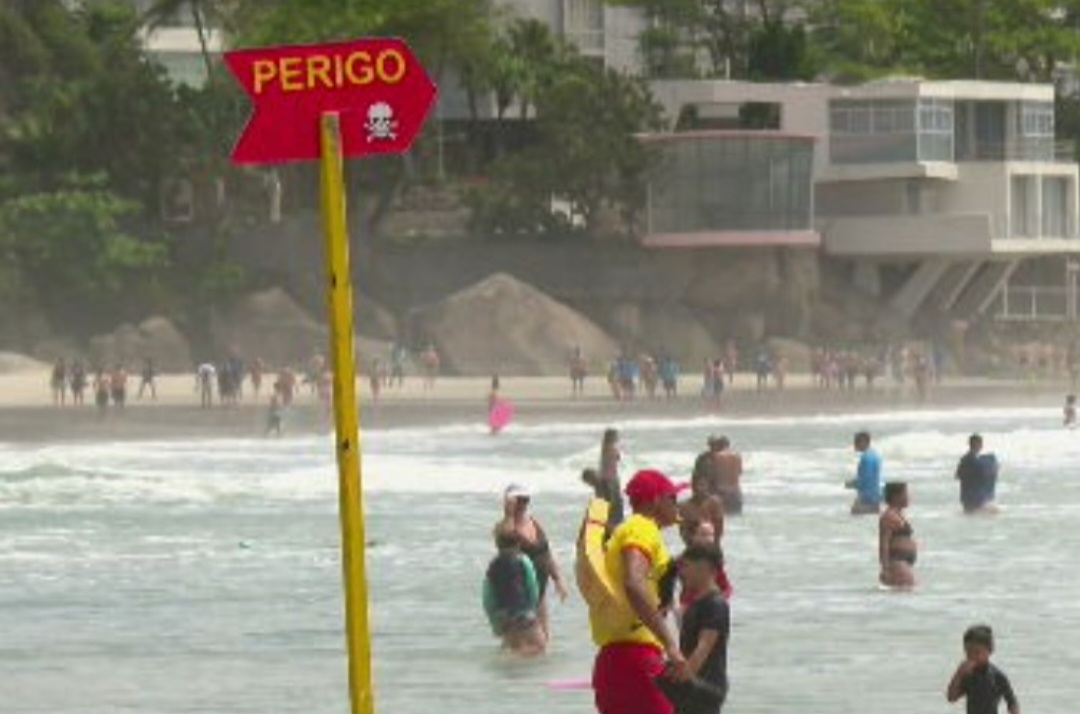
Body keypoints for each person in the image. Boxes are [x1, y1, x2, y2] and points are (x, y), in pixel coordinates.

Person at [591, 470, 688, 714]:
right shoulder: (643, 528)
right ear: (654, 500)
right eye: (672, 498)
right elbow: (633, 583)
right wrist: (670, 644)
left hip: (612, 662)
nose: (677, 504)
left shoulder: (627, 530)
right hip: (637, 661)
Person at [658, 543, 730, 714]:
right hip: (694, 687)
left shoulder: (715, 604)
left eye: (687, 567)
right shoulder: (697, 603)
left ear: (706, 568)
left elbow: (704, 646)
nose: (682, 574)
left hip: (704, 687)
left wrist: (684, 673)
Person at [496, 484, 568, 643]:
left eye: (525, 500)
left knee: (543, 640)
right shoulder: (503, 528)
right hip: (517, 597)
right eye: (518, 500)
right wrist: (508, 514)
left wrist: (558, 579)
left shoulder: (534, 522)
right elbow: (507, 539)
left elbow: (546, 552)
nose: (522, 504)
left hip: (539, 592)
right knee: (526, 643)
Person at [482, 528, 546, 657]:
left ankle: (510, 666)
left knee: (513, 646)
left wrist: (494, 622)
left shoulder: (492, 565)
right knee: (540, 646)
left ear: (497, 545)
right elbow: (532, 587)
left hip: (504, 617)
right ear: (518, 544)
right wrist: (533, 609)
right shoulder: (523, 560)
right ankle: (516, 661)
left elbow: (487, 596)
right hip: (524, 613)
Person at [946, 625, 1020, 714]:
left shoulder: (997, 676)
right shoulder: (968, 675)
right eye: (968, 652)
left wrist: (1014, 710)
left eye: (977, 652)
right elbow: (951, 697)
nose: (972, 656)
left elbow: (1012, 702)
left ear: (990, 650)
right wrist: (959, 673)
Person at [878, 482, 916, 588]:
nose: (908, 497)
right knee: (905, 595)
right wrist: (885, 569)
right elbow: (884, 543)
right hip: (897, 562)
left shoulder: (898, 514)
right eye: (905, 494)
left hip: (904, 563)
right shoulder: (889, 516)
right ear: (895, 497)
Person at [956, 434, 999, 514]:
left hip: (967, 498)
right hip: (977, 499)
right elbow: (986, 475)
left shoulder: (965, 460)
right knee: (994, 513)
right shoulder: (972, 461)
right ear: (978, 444)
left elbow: (958, 476)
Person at [846, 431, 882, 515]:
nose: (854, 445)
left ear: (864, 442)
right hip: (875, 496)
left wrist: (852, 484)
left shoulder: (866, 457)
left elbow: (866, 479)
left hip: (866, 498)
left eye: (856, 442)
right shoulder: (875, 455)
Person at [598, 428, 626, 529]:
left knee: (608, 503)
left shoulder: (605, 448)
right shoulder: (611, 448)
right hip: (611, 478)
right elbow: (617, 458)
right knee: (615, 504)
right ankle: (614, 525)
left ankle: (608, 523)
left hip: (606, 478)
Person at [712, 437, 743, 516]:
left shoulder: (716, 456)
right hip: (735, 492)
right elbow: (739, 472)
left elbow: (713, 474)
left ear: (719, 446)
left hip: (721, 492)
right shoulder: (737, 456)